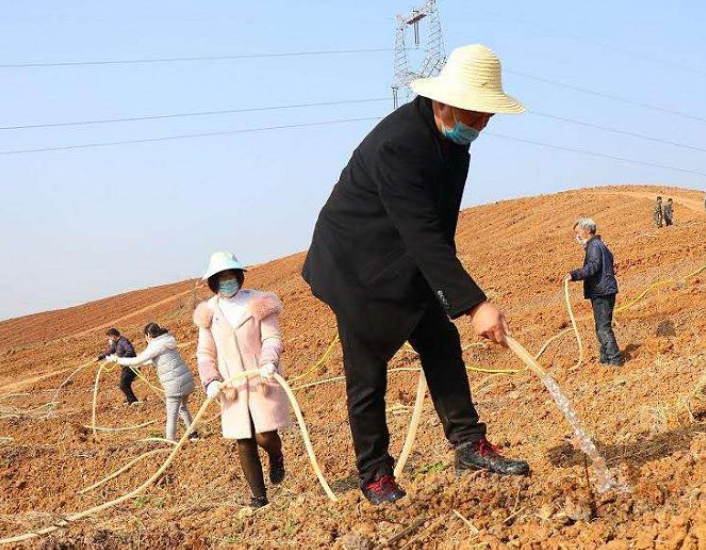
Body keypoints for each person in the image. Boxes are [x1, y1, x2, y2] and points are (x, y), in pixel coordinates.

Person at [302, 44, 530, 505]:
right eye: (475, 114)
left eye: (487, 116)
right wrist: (474, 303)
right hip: (355, 265)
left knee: (441, 343)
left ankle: (468, 445)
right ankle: (375, 475)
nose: (480, 125)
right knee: (367, 373)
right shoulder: (399, 144)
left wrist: (448, 289)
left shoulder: (453, 144)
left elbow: (438, 228)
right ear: (443, 101)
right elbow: (421, 230)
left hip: (404, 256)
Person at [193, 252, 289, 509]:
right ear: (213, 282)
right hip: (231, 386)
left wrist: (269, 362)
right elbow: (205, 353)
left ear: (238, 276)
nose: (227, 281)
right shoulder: (208, 313)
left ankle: (276, 455)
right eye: (221, 278)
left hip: (261, 380)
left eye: (230, 276)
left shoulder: (259, 302)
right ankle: (259, 498)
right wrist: (211, 380)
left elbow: (272, 338)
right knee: (243, 440)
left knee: (264, 435)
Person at [106, 323, 198, 442]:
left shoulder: (155, 345)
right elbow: (151, 359)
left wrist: (116, 359)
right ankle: (193, 434)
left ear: (148, 335)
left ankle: (170, 442)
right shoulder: (167, 341)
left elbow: (137, 360)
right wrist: (135, 362)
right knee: (182, 407)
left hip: (174, 385)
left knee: (172, 414)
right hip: (187, 380)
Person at [565, 218, 622, 366]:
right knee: (601, 327)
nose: (577, 236)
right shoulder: (599, 245)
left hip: (602, 292)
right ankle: (605, 359)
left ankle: (615, 360)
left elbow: (593, 266)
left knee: (603, 328)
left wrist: (574, 275)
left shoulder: (594, 246)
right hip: (604, 290)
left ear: (587, 230)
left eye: (578, 232)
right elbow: (608, 262)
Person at [97, 328, 140, 405]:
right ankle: (132, 401)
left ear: (113, 336)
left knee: (123, 385)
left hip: (131, 366)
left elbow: (130, 351)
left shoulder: (123, 341)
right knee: (125, 385)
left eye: (110, 337)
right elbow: (109, 351)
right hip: (125, 367)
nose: (109, 339)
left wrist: (120, 358)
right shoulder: (115, 343)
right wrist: (99, 357)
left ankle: (133, 401)